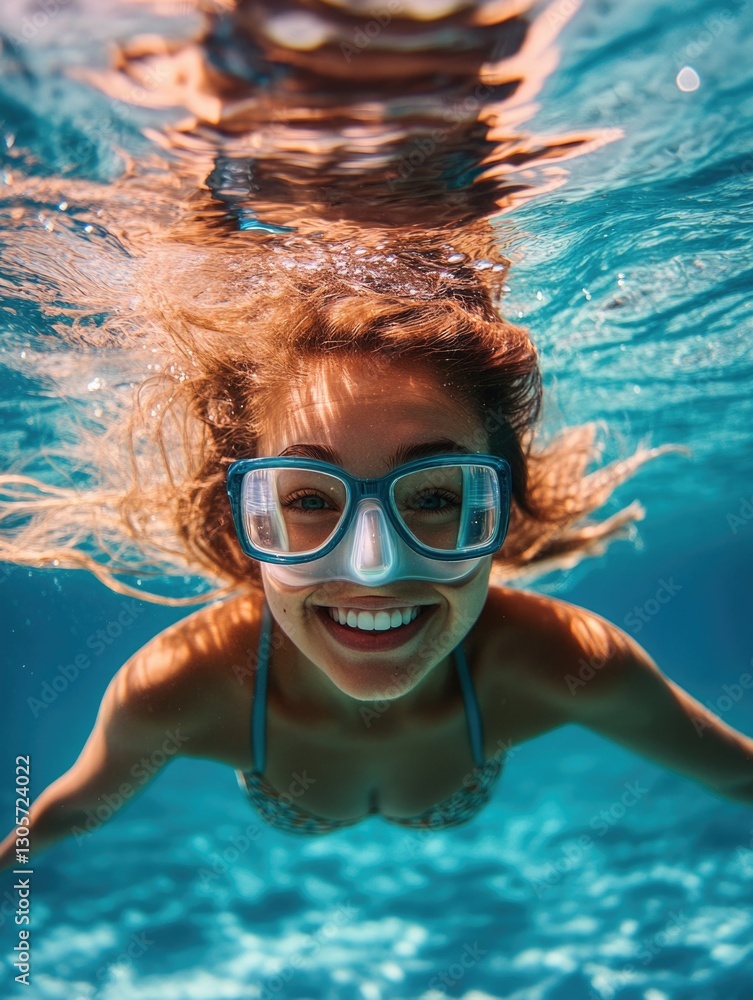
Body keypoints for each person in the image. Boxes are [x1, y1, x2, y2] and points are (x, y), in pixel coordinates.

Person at [1, 259, 752, 867]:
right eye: (307, 499)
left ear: (498, 506)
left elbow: (736, 773)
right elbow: (71, 809)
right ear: (243, 514)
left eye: (433, 496)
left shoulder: (570, 663)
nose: (372, 568)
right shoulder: (173, 689)